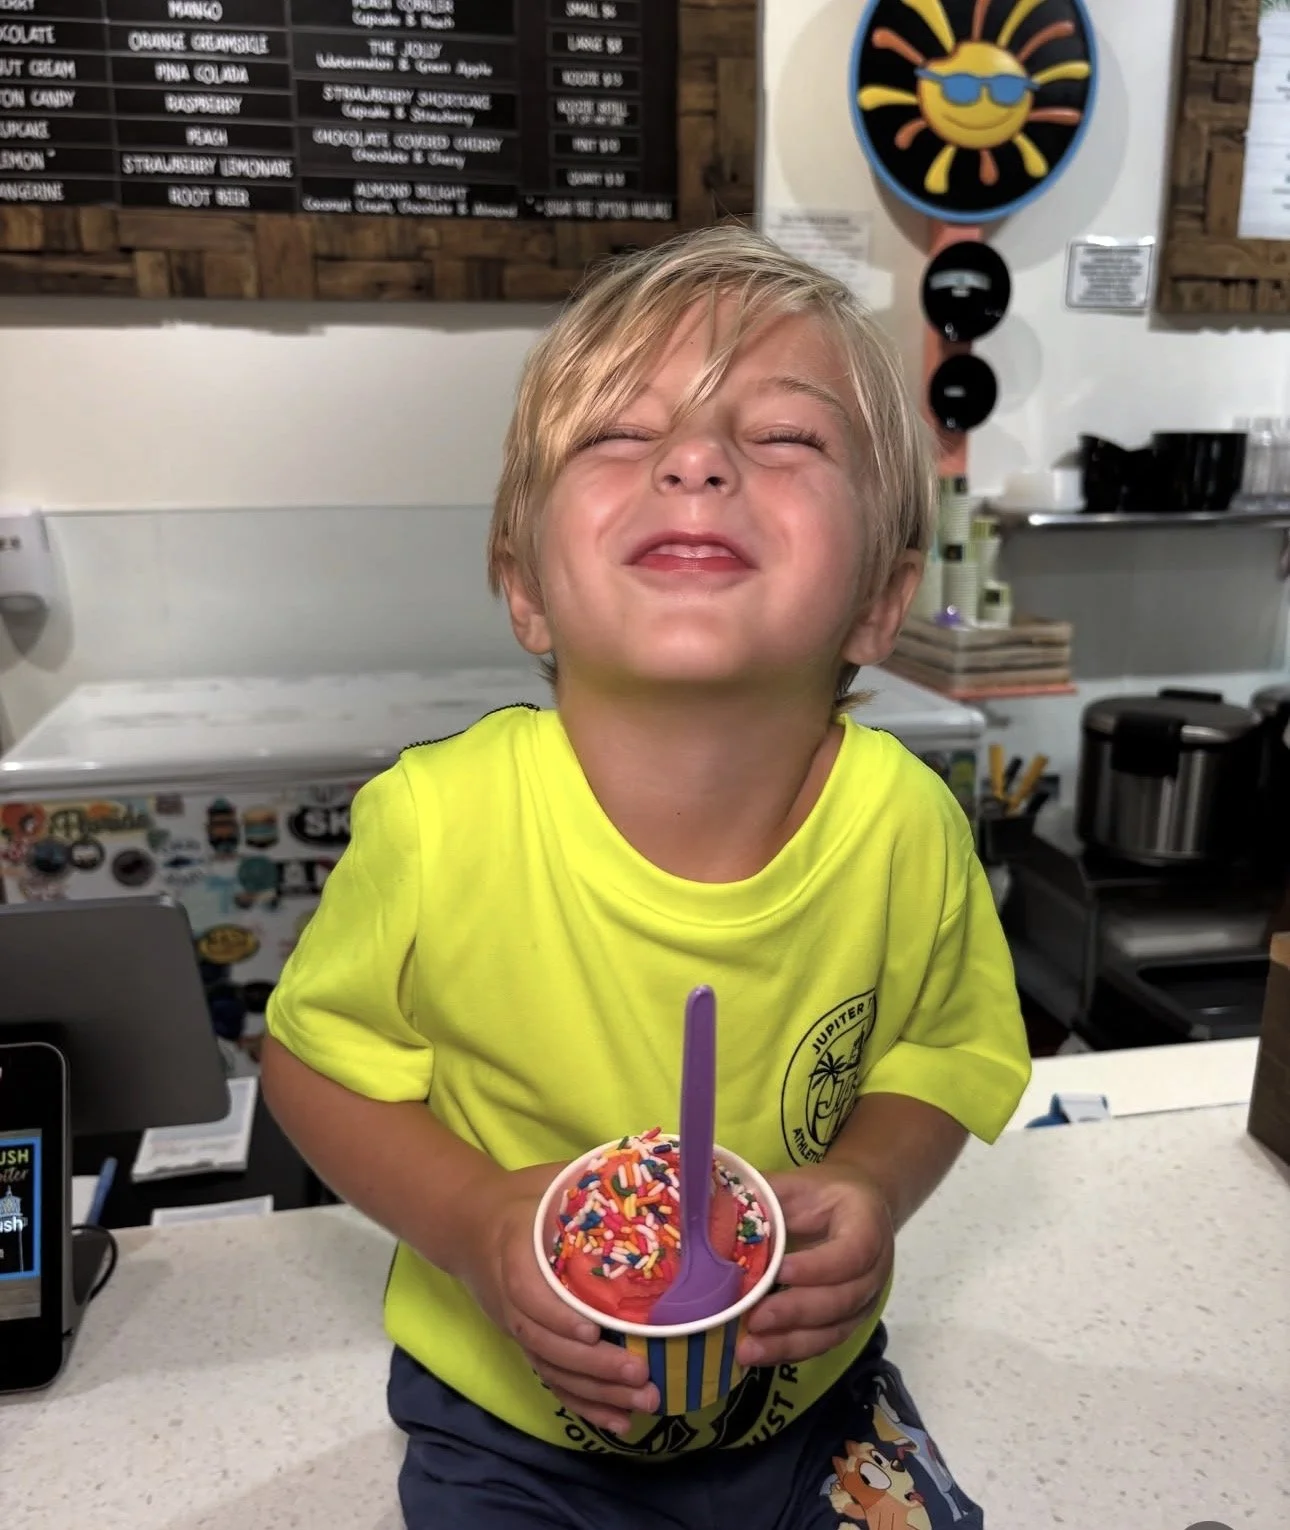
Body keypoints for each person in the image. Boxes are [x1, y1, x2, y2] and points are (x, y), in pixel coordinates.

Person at [261, 222, 1031, 1529]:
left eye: (785, 439)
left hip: (807, 1406)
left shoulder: (905, 826)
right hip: (510, 1426)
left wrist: (875, 1183)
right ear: (525, 589)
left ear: (877, 603)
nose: (693, 459)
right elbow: (312, 1065)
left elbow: (939, 1056)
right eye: (617, 435)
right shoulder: (437, 824)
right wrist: (468, 1218)